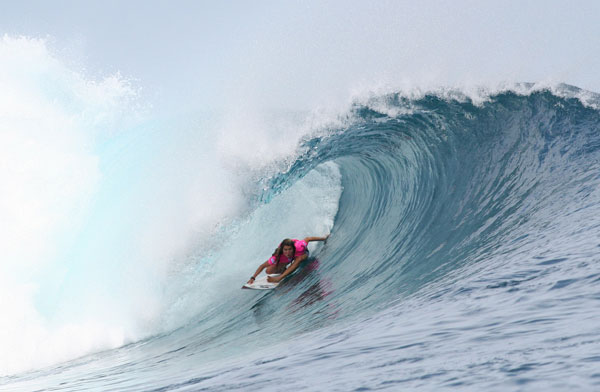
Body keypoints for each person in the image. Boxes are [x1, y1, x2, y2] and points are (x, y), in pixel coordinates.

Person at [247, 235, 329, 285]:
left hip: (302, 255)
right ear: (282, 250)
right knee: (269, 271)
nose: (287, 252)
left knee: (299, 259)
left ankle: (280, 277)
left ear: (293, 248)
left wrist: (324, 238)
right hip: (287, 260)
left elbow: (308, 238)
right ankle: (284, 270)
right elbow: (262, 266)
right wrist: (253, 278)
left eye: (290, 249)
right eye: (285, 250)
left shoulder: (299, 247)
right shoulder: (278, 256)